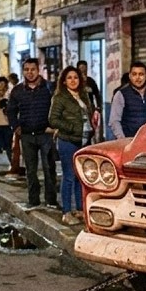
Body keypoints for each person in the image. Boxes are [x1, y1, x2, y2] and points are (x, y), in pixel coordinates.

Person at [49, 66, 96, 225]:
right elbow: (53, 120)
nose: (73, 80)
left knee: (80, 177)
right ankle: (66, 211)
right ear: (64, 81)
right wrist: (72, 128)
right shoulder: (60, 97)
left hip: (83, 141)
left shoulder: (83, 95)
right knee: (68, 176)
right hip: (68, 141)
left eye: (75, 77)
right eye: (69, 78)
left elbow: (87, 115)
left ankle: (79, 210)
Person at [9, 58, 58, 209]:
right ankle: (33, 200)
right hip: (26, 135)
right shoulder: (17, 91)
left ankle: (51, 200)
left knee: (49, 168)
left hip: (45, 134)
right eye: (26, 70)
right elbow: (11, 111)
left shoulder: (49, 88)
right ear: (23, 71)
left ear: (39, 70)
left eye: (33, 69)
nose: (29, 73)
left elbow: (56, 108)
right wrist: (16, 127)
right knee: (30, 170)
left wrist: (53, 127)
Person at [108, 61, 146, 140]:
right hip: (128, 142)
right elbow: (114, 121)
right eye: (134, 74)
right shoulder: (121, 94)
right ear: (130, 76)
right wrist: (122, 140)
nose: (137, 78)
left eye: (141, 74)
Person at [77, 60, 102, 140]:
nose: (83, 70)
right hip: (78, 110)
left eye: (85, 68)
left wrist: (98, 107)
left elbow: (97, 95)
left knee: (91, 130)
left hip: (90, 109)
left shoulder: (91, 81)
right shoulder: (75, 82)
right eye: (81, 68)